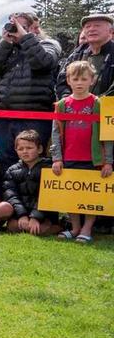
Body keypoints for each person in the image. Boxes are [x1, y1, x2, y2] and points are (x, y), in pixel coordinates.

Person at [0, 11, 62, 177]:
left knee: (33, 161)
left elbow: (43, 62)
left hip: (34, 116)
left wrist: (25, 38)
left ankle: (32, 201)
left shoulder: (49, 44)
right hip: (4, 117)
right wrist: (5, 42)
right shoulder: (7, 48)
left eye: (21, 27)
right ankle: (9, 200)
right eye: (13, 25)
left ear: (33, 28)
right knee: (4, 161)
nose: (15, 30)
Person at [50, 61, 113, 243]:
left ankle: (87, 228)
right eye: (75, 78)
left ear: (91, 80)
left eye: (84, 79)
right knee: (72, 196)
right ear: (68, 80)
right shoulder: (61, 105)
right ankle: (75, 227)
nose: (79, 82)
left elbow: (108, 134)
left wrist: (108, 161)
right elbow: (55, 133)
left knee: (91, 196)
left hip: (94, 159)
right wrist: (57, 157)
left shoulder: (99, 103)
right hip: (69, 157)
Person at [0, 130, 62, 236]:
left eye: (29, 148)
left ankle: (60, 225)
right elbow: (11, 195)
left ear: (40, 149)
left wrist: (35, 217)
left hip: (44, 214)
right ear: (16, 150)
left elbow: (48, 196)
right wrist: (22, 215)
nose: (24, 151)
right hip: (21, 212)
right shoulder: (11, 170)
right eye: (20, 149)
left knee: (39, 230)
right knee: (12, 227)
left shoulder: (49, 169)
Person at [56, 12, 114, 99]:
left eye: (97, 26)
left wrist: (93, 104)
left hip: (108, 108)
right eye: (88, 27)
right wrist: (68, 99)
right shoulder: (77, 54)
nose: (92, 29)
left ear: (111, 31)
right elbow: (63, 81)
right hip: (75, 109)